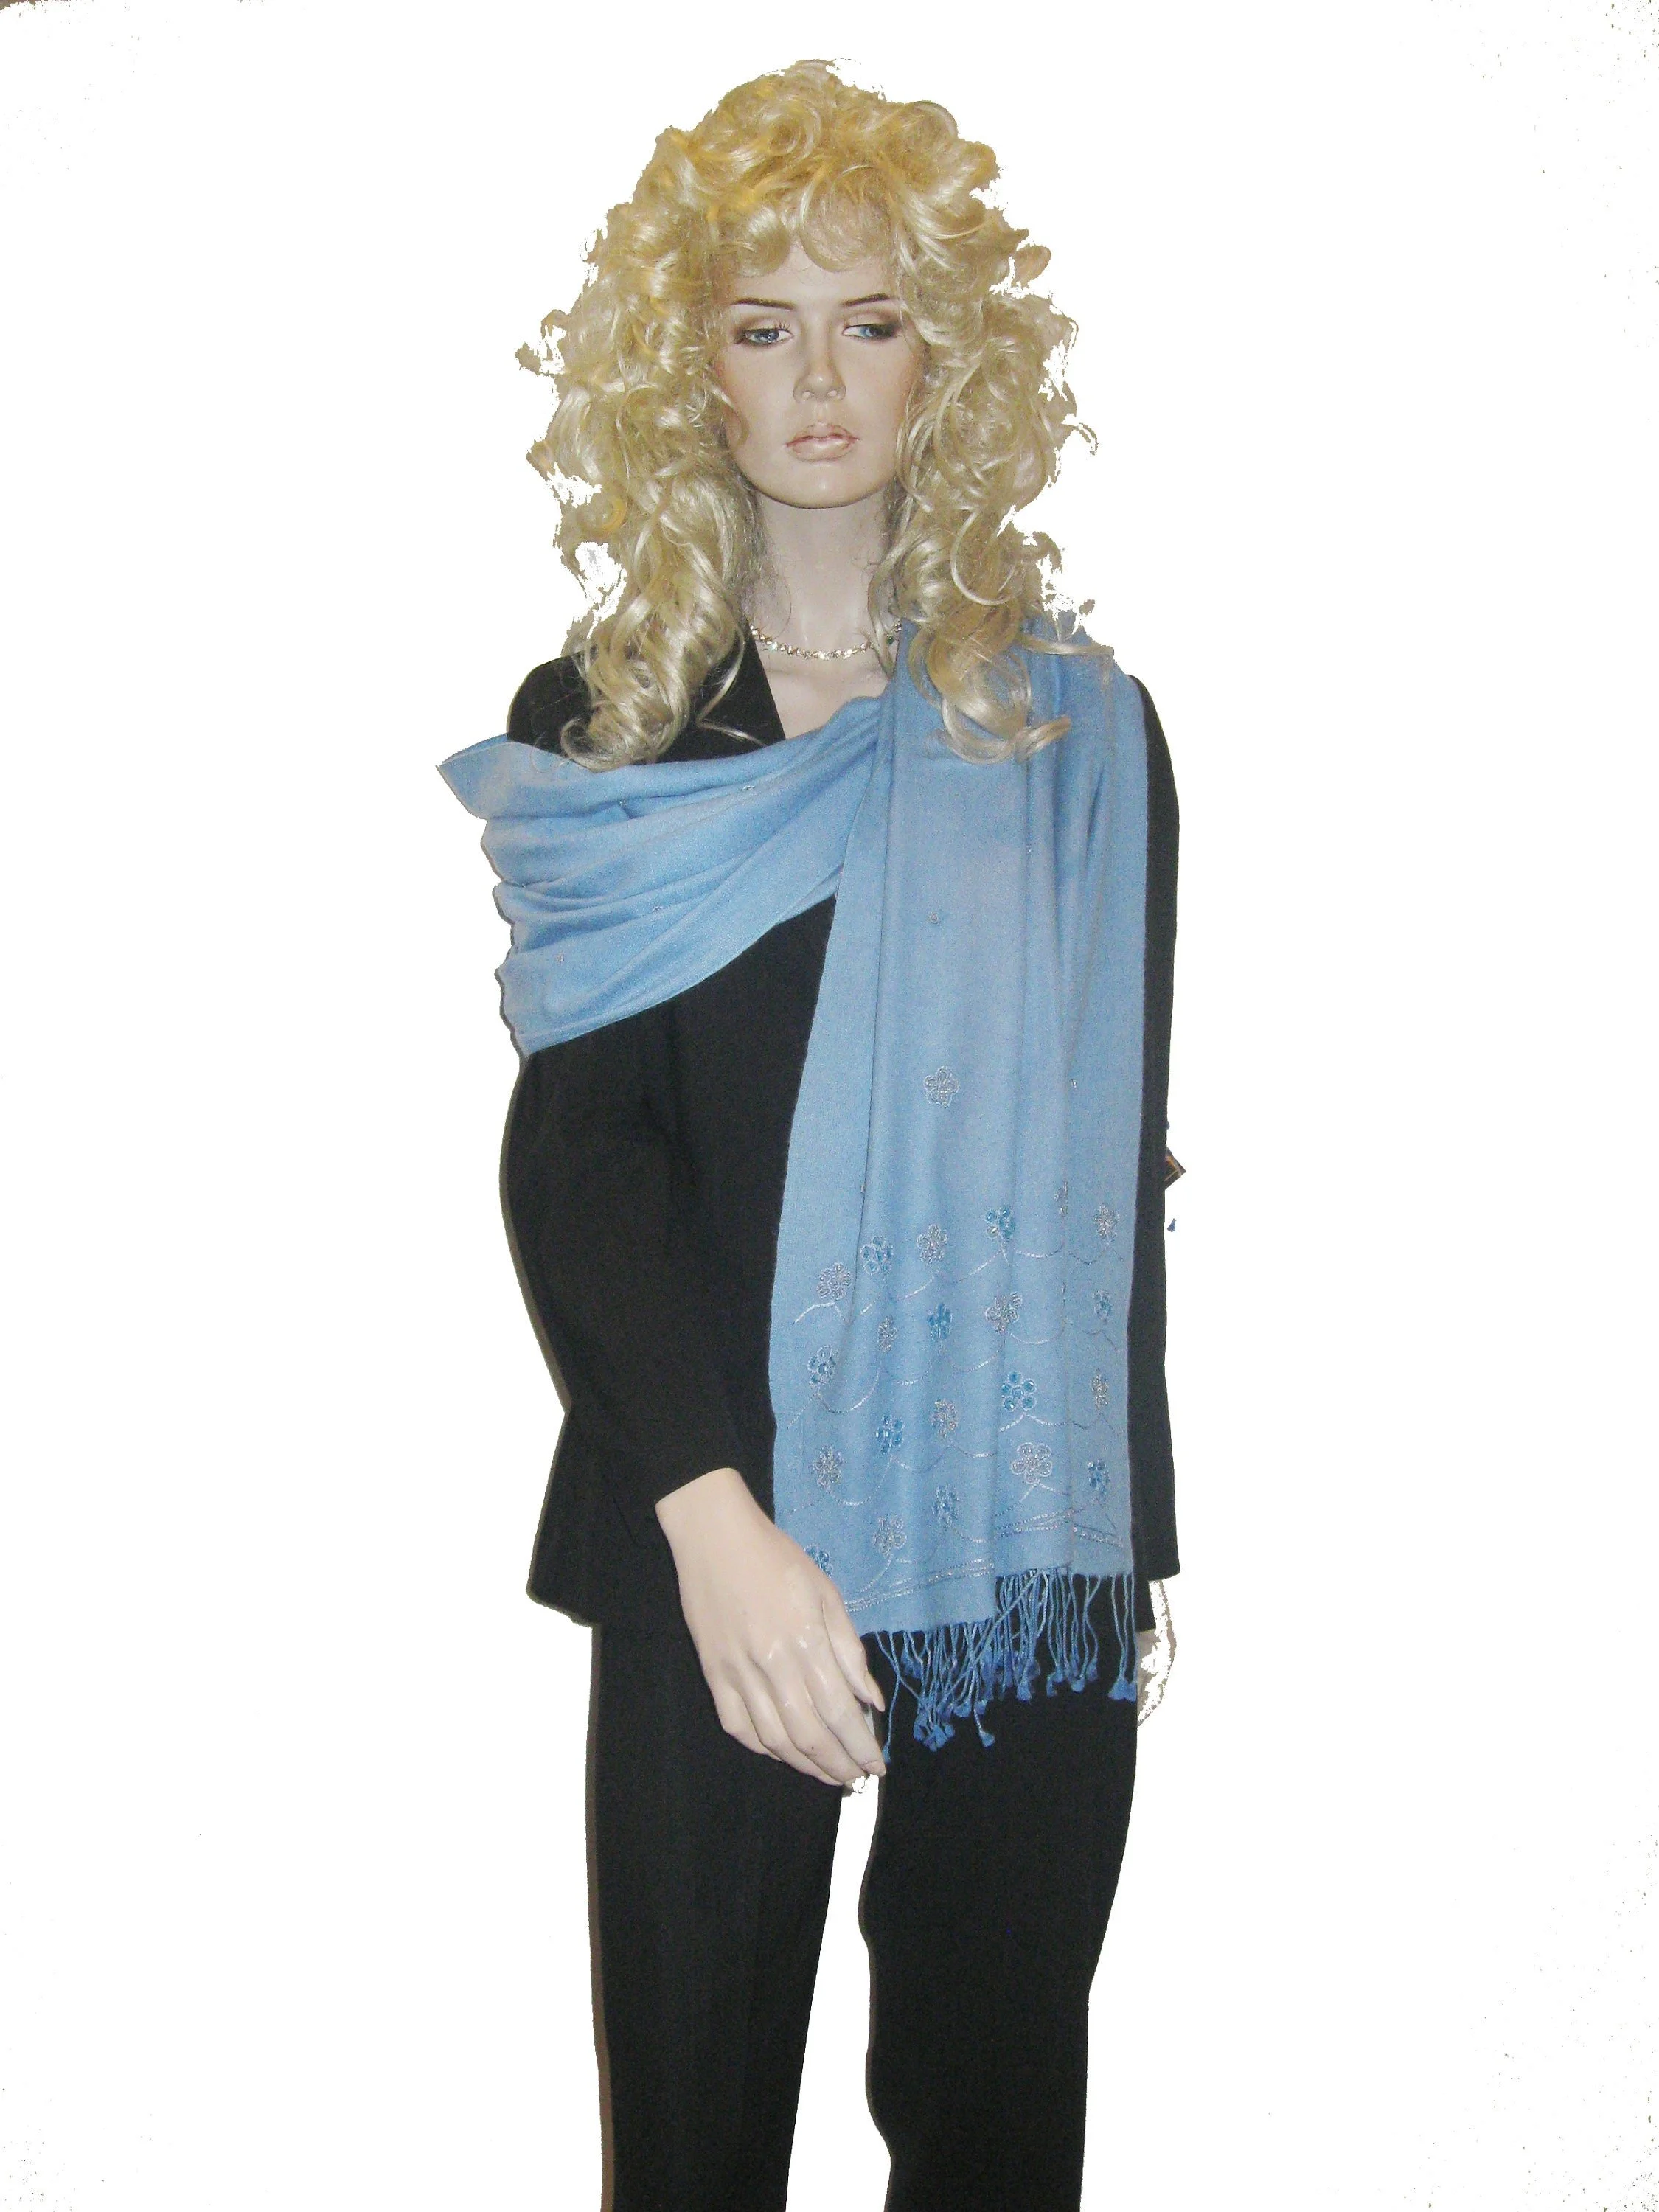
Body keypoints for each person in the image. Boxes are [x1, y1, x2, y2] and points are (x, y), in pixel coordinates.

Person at [442, 59, 1180, 2212]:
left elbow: (1116, 1177)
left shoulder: (1075, 734)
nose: (824, 379)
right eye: (766, 326)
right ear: (694, 366)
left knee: (996, 2133)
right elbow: (585, 1164)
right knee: (689, 2142)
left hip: (1018, 1541)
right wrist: (713, 1523)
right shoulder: (617, 725)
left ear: (953, 354)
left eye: (873, 320)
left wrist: (1109, 1557)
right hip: (714, 1530)